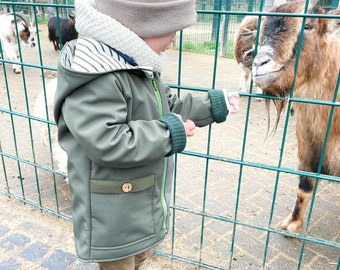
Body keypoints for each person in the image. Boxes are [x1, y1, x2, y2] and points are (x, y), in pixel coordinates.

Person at [53, 0, 239, 269]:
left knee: (140, 255)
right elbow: (108, 140)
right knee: (121, 264)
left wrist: (213, 104)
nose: (175, 39)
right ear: (141, 26)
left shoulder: (139, 66)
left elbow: (170, 106)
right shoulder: (96, 75)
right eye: (171, 30)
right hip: (113, 214)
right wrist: (168, 132)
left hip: (137, 203)